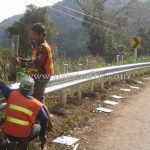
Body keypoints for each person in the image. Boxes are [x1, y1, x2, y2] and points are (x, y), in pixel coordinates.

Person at [0, 76, 53, 149]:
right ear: (32, 89)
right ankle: (25, 141)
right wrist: (42, 136)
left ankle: (8, 140)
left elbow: (2, 86)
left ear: (20, 87)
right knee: (38, 127)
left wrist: (1, 83)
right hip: (23, 135)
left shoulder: (11, 94)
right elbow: (45, 119)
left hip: (8, 132)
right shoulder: (36, 104)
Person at [13, 22, 54, 102]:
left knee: (35, 101)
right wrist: (21, 60)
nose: (32, 37)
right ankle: (44, 114)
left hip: (41, 77)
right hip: (40, 76)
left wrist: (20, 63)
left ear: (41, 34)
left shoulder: (43, 48)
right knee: (38, 99)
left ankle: (41, 114)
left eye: (34, 34)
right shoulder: (40, 46)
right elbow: (34, 61)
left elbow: (36, 65)